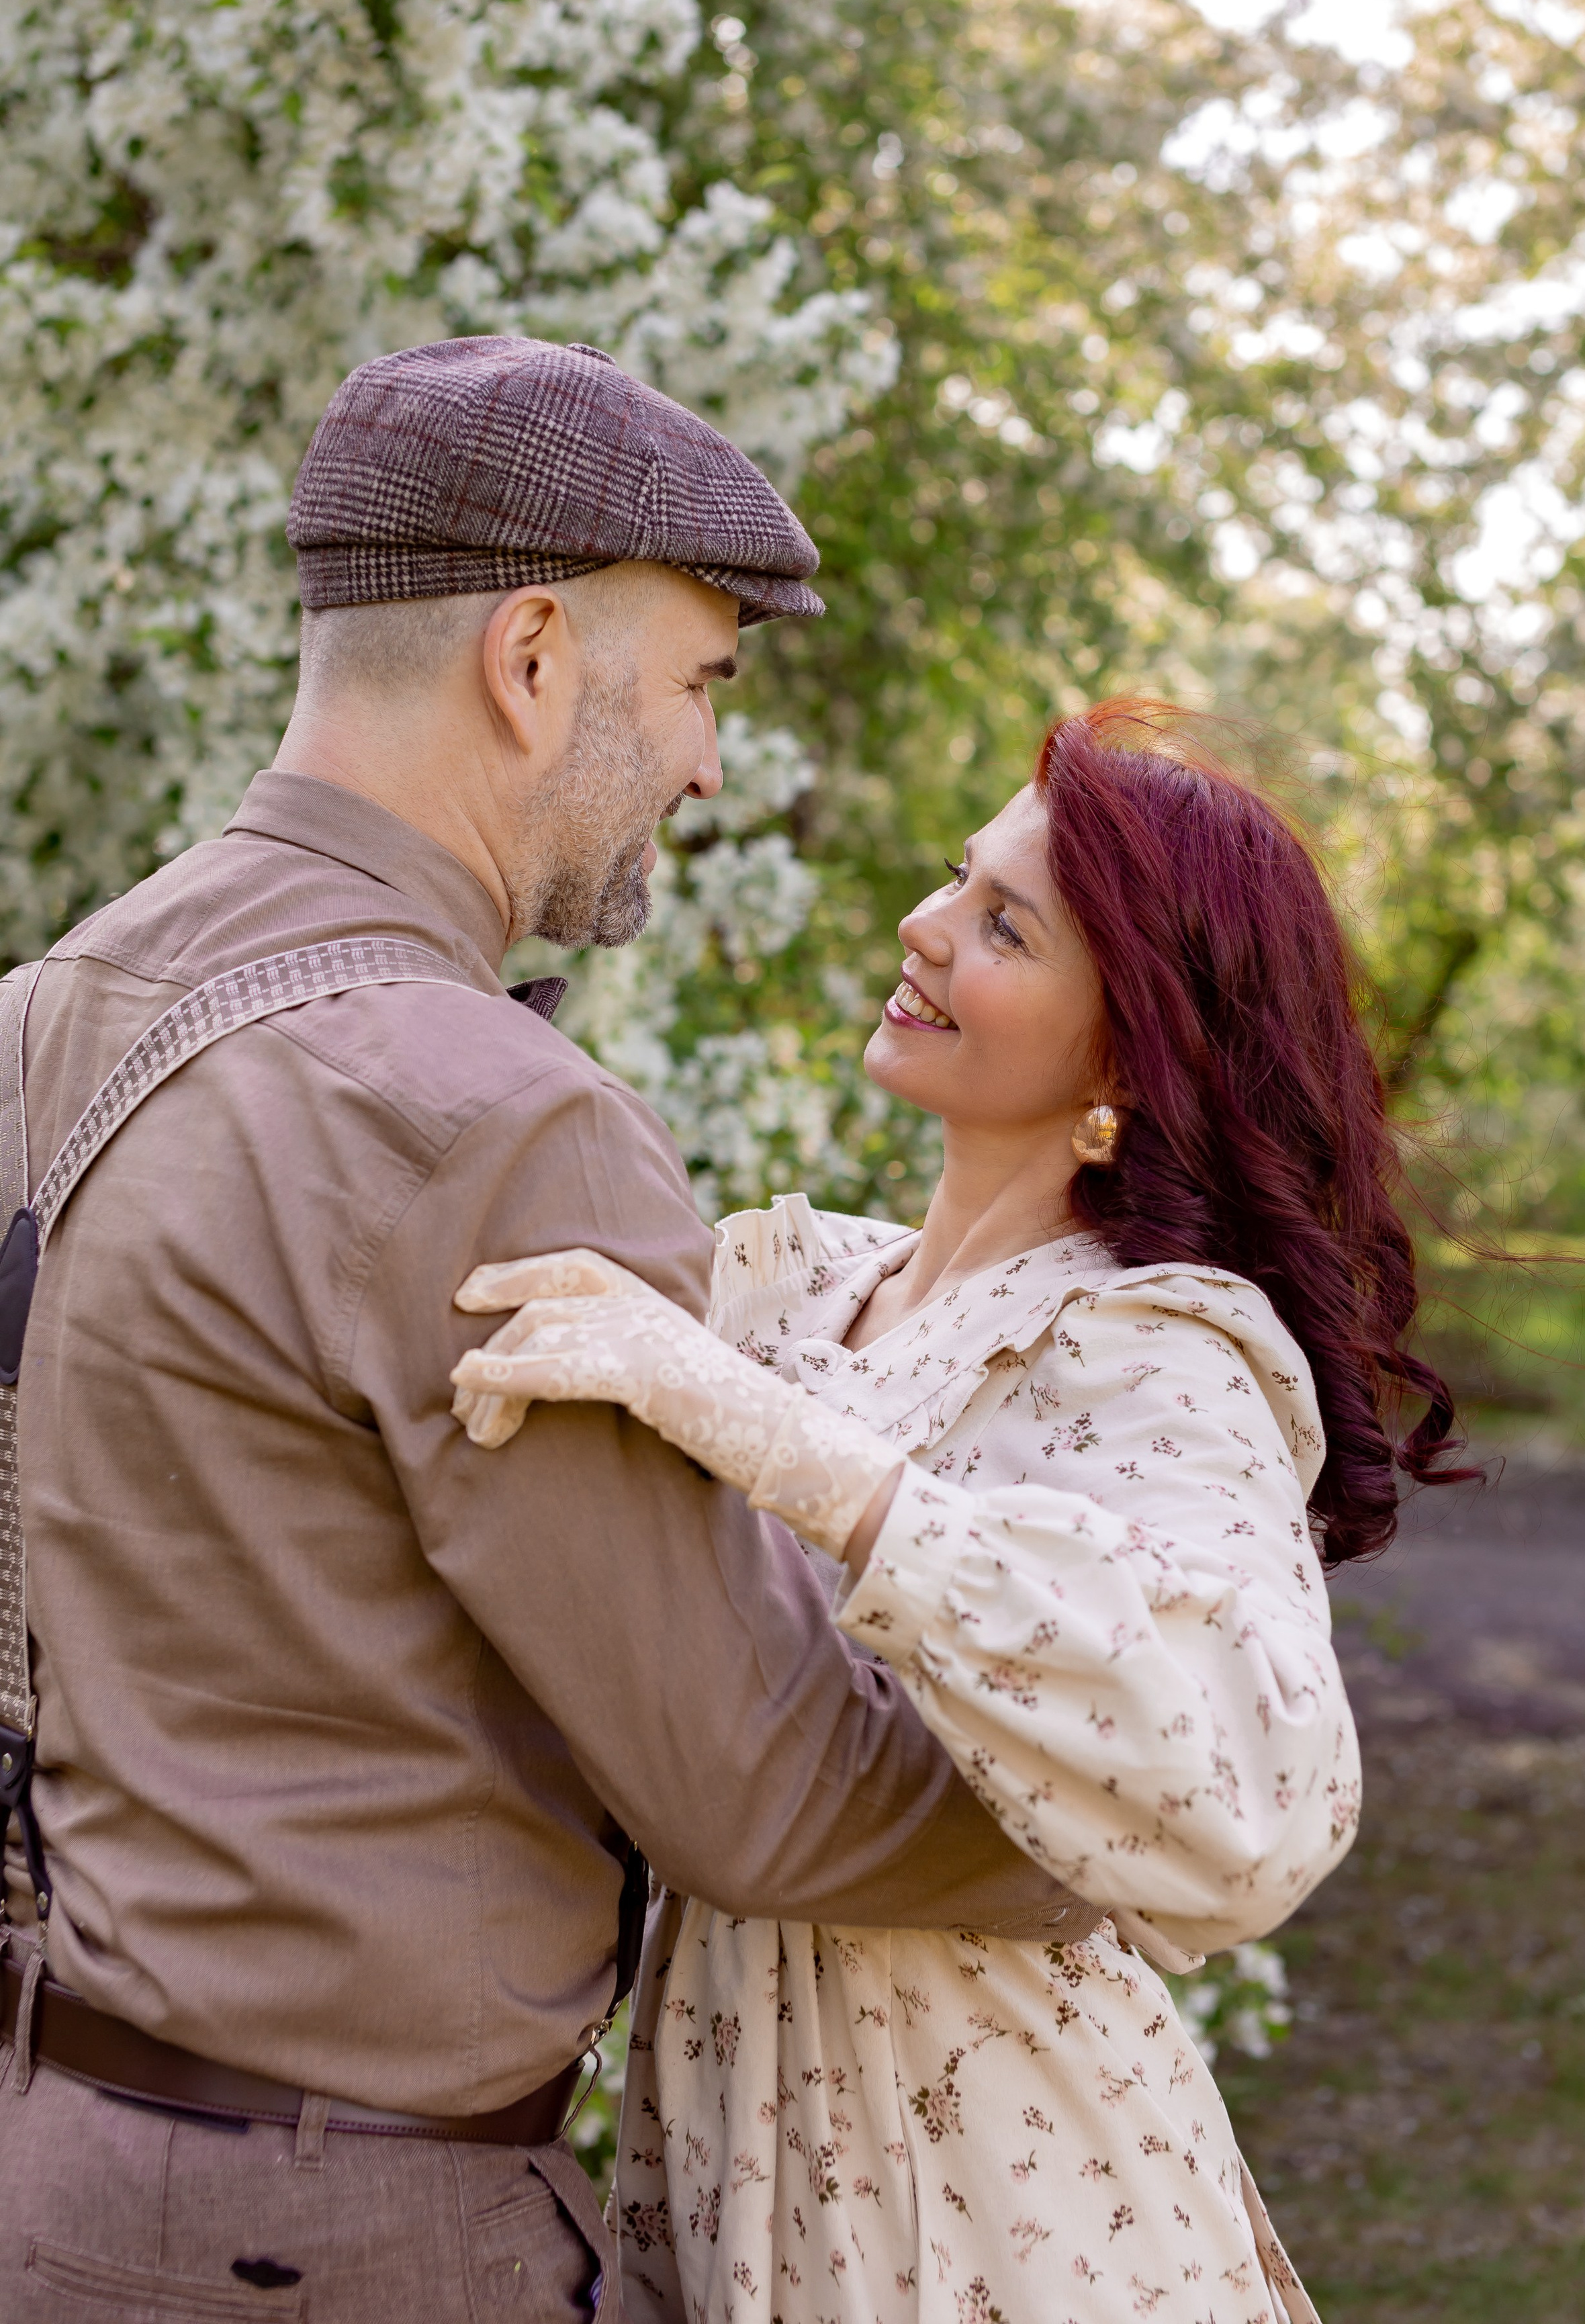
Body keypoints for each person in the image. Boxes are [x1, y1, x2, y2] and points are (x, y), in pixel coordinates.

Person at [0, 338, 1093, 2324]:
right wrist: (1126, 1820)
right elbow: (758, 1783)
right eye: (696, 685)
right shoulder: (496, 1119)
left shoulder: (47, 1015)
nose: (701, 759)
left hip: (53, 2169)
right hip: (352, 2244)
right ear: (529, 662)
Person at [452, 699, 1465, 2324]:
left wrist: (773, 1443)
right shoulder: (795, 1291)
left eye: (1004, 925)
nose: (921, 928)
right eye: (953, 880)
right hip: (725, 2164)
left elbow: (1251, 1784)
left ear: (1129, 1048)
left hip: (993, 2209)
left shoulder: (1154, 1344)